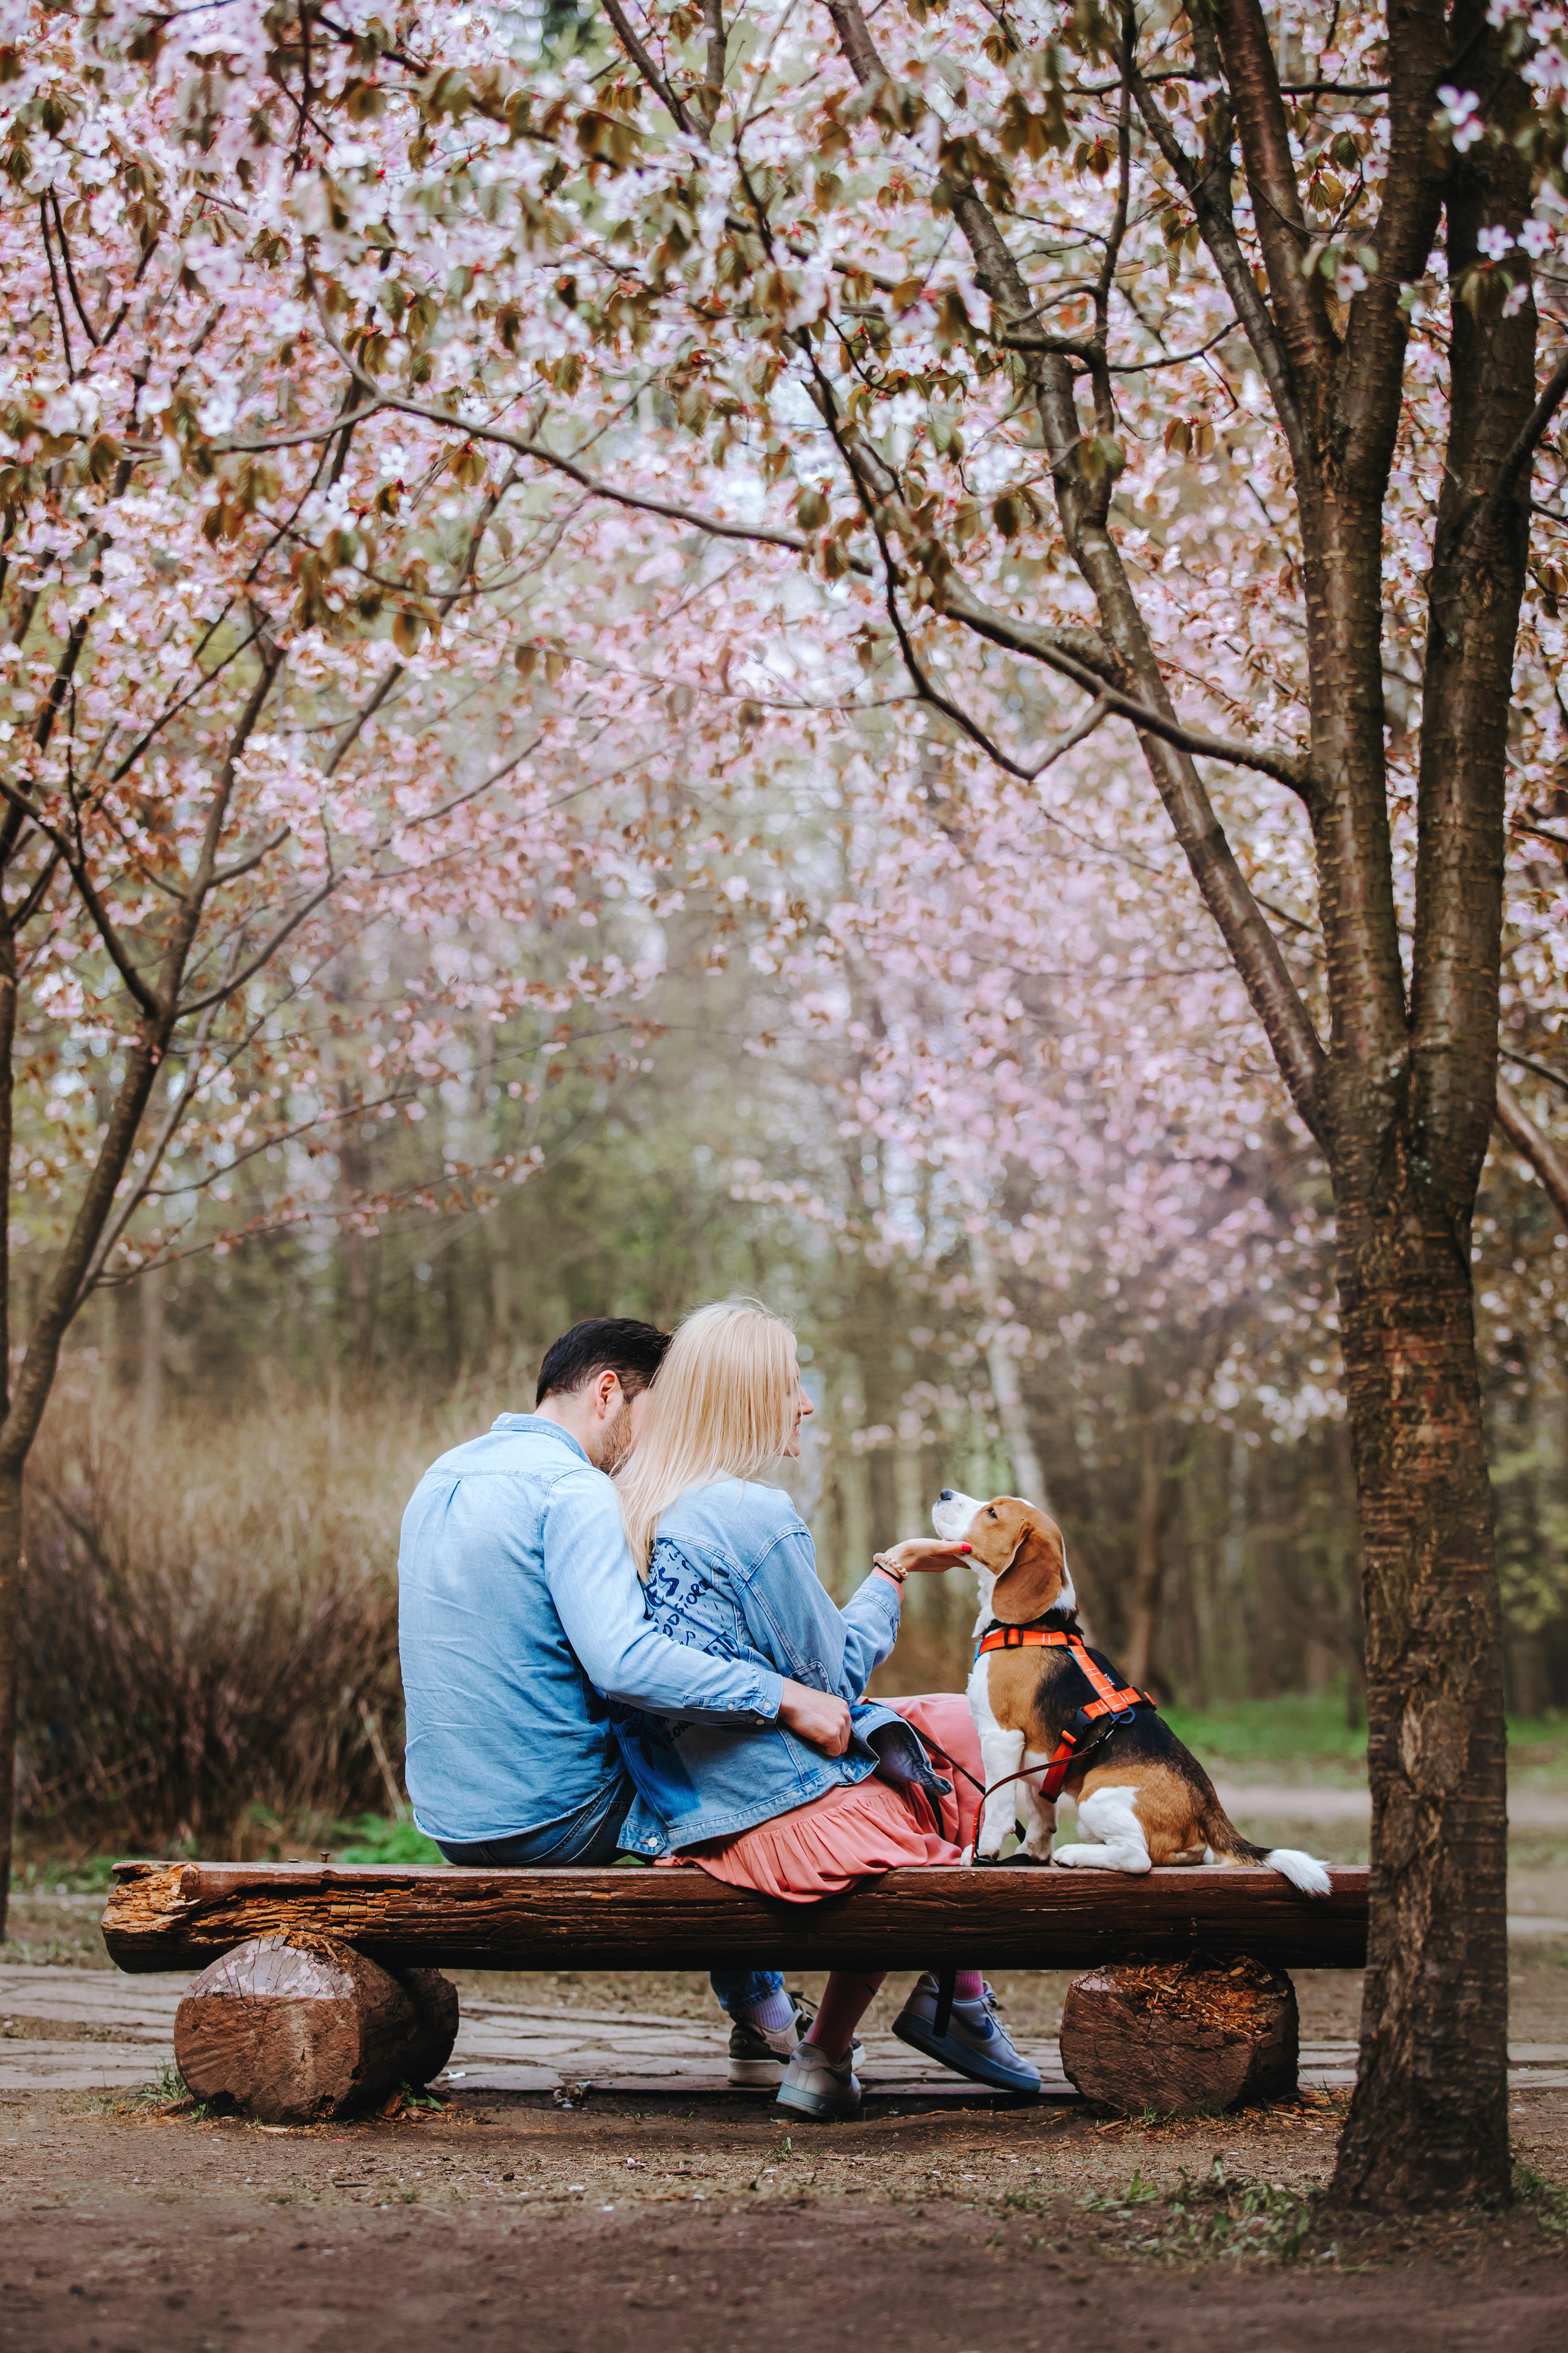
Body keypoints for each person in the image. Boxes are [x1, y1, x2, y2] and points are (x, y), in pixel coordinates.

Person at [612, 1298, 1043, 2121]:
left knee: (958, 1723)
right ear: (744, 1398)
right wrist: (891, 1573)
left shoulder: (634, 1502)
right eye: (790, 1385)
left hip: (681, 1811)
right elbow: (833, 1686)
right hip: (771, 1809)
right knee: (939, 1791)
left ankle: (956, 1999)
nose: (805, 1404)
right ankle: (834, 2049)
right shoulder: (751, 1514)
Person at [397, 1316, 853, 2083]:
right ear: (608, 1393)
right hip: (555, 1821)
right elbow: (623, 1662)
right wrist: (781, 1695)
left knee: (685, 1743)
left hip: (449, 1817)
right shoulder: (574, 1488)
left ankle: (761, 2007)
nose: (656, 1443)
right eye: (656, 1416)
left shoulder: (444, 1474)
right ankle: (776, 2016)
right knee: (723, 1758)